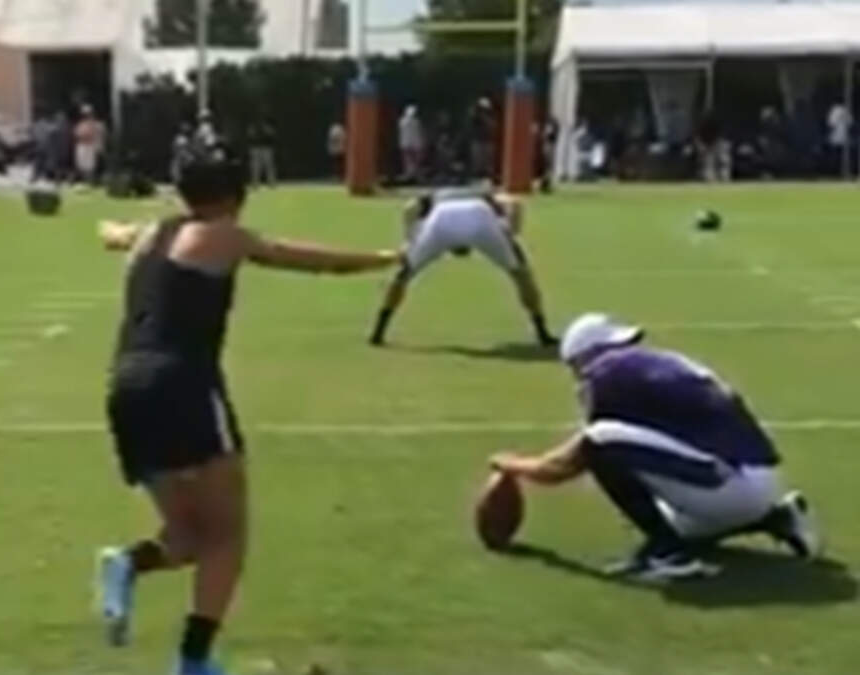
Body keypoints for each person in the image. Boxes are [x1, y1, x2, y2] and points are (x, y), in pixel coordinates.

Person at [95, 149, 399, 675]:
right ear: (233, 197)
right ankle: (193, 662)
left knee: (188, 537)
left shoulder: (152, 234)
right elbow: (301, 258)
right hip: (183, 384)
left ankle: (125, 563)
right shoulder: (225, 235)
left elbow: (114, 233)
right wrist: (383, 257)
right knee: (226, 535)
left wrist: (111, 229)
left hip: (125, 388)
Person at [490, 313, 822, 581]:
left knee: (601, 440)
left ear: (581, 358)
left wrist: (515, 466)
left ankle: (668, 555)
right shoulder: (658, 363)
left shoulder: (606, 372)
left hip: (730, 483)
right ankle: (776, 517)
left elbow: (574, 459)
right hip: (753, 480)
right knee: (675, 524)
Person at [369, 189, 558, 348]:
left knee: (403, 276)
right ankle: (542, 332)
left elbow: (409, 208)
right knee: (520, 274)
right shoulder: (486, 194)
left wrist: (409, 241)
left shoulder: (434, 196)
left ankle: (378, 332)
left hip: (440, 220)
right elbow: (515, 203)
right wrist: (511, 232)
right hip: (480, 216)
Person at [74, 105, 106, 185]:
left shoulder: (98, 125)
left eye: (88, 114)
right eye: (84, 115)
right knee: (83, 168)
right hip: (84, 147)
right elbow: (78, 135)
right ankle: (87, 183)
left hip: (91, 148)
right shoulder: (81, 125)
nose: (86, 116)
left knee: (91, 169)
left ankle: (91, 183)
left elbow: (97, 136)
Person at [247, 119, 276, 187]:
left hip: (266, 148)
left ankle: (271, 182)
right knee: (255, 167)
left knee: (268, 166)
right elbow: (250, 136)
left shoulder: (268, 125)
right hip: (255, 148)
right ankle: (255, 183)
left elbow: (271, 136)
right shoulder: (253, 126)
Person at [398, 105, 424, 183]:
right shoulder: (416, 122)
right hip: (414, 144)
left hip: (406, 143)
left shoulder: (402, 121)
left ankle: (410, 175)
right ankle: (413, 175)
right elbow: (418, 133)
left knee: (408, 160)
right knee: (414, 161)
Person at [826, 101, 852, 177]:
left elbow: (831, 125)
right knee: (842, 157)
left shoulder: (835, 110)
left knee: (835, 157)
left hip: (835, 138)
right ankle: (841, 171)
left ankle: (835, 172)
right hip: (843, 138)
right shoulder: (846, 111)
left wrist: (828, 136)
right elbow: (850, 124)